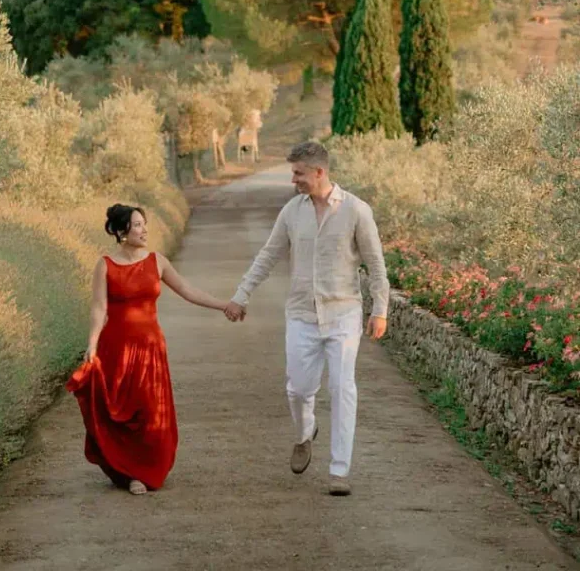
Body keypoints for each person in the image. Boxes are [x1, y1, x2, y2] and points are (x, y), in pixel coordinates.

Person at [224, 140, 389, 496]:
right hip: (301, 314)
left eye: (298, 173)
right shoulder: (291, 212)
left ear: (319, 172)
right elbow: (268, 256)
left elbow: (376, 264)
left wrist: (380, 309)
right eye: (293, 173)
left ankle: (339, 471)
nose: (293, 180)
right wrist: (241, 295)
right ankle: (304, 433)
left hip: (343, 312)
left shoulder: (357, 211)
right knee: (298, 389)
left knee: (343, 387)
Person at [67, 203, 229, 495]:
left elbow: (188, 290)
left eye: (144, 224)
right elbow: (98, 307)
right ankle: (129, 473)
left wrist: (223, 305)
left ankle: (144, 470)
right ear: (121, 231)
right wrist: (91, 344)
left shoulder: (157, 261)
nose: (144, 230)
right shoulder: (105, 264)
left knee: (149, 412)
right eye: (137, 225)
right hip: (116, 348)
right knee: (121, 412)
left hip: (151, 348)